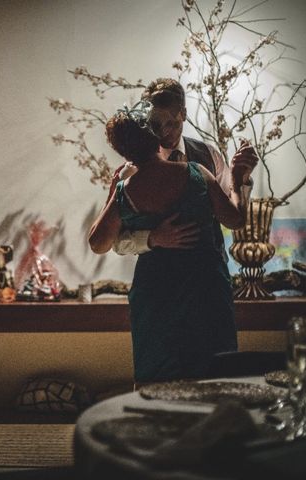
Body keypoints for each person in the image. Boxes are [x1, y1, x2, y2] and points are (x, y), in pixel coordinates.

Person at [88, 102, 249, 383]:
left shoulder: (126, 191)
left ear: (123, 151)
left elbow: (98, 243)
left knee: (159, 380)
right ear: (155, 137)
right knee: (213, 376)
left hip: (156, 295)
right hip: (206, 288)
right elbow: (235, 220)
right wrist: (237, 177)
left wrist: (115, 192)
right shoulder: (197, 173)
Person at [112, 78, 257, 257]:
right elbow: (116, 241)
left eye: (172, 123)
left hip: (209, 271)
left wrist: (241, 178)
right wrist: (152, 238)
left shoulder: (209, 155)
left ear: (183, 113)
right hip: (161, 277)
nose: (165, 131)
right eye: (157, 125)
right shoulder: (133, 170)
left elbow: (232, 213)